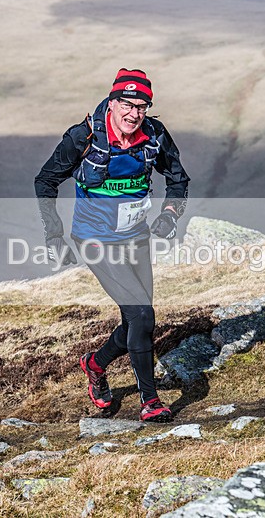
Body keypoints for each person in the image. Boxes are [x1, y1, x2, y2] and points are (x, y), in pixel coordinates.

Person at [34, 68, 190, 422]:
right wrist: (54, 233)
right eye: (127, 104)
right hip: (94, 239)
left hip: (135, 238)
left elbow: (179, 179)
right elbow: (45, 180)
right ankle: (150, 401)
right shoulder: (84, 136)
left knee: (138, 322)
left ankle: (94, 363)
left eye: (142, 107)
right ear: (113, 101)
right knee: (142, 313)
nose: (134, 114)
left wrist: (169, 215)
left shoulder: (155, 136)